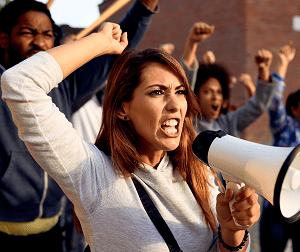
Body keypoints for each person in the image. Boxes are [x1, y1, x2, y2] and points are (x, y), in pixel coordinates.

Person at [2, 21, 261, 252]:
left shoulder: (199, 171)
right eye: (157, 92)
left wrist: (232, 232)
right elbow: (20, 84)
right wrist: (99, 42)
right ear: (123, 108)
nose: (175, 105)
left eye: (180, 91)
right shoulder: (91, 172)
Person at [0, 0, 174, 251]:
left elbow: (115, 51)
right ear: (4, 39)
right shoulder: (7, 84)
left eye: (47, 35)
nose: (40, 44)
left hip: (53, 231)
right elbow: (19, 82)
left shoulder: (66, 87)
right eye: (27, 33)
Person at [180, 21, 275, 137]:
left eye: (219, 92)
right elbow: (184, 85)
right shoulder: (186, 123)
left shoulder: (228, 124)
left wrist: (264, 70)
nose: (215, 97)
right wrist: (192, 43)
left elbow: (257, 106)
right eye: (207, 91)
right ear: (195, 96)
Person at [260, 42, 300, 252]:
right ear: (294, 108)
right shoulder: (285, 126)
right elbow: (275, 102)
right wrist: (283, 64)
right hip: (276, 207)